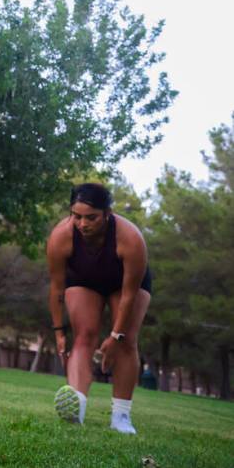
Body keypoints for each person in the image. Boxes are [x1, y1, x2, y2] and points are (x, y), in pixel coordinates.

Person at [46, 183, 152, 434]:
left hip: (123, 283)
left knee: (127, 340)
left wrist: (116, 335)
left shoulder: (131, 239)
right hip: (84, 277)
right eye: (76, 216)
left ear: (107, 213)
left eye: (91, 217)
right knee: (84, 335)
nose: (82, 224)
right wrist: (59, 332)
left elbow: (129, 295)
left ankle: (121, 417)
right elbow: (56, 289)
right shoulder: (61, 236)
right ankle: (77, 407)